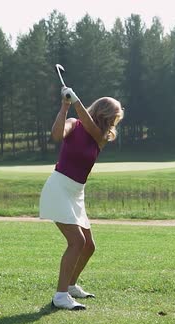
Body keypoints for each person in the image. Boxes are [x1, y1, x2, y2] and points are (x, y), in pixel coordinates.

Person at [40, 87, 124, 310]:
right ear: (103, 113)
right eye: (113, 117)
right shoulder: (74, 124)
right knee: (77, 242)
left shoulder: (102, 136)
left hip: (77, 192)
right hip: (59, 186)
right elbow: (57, 135)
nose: (114, 122)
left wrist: (76, 99)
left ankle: (70, 286)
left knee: (89, 246)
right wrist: (65, 106)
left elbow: (92, 129)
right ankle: (60, 296)